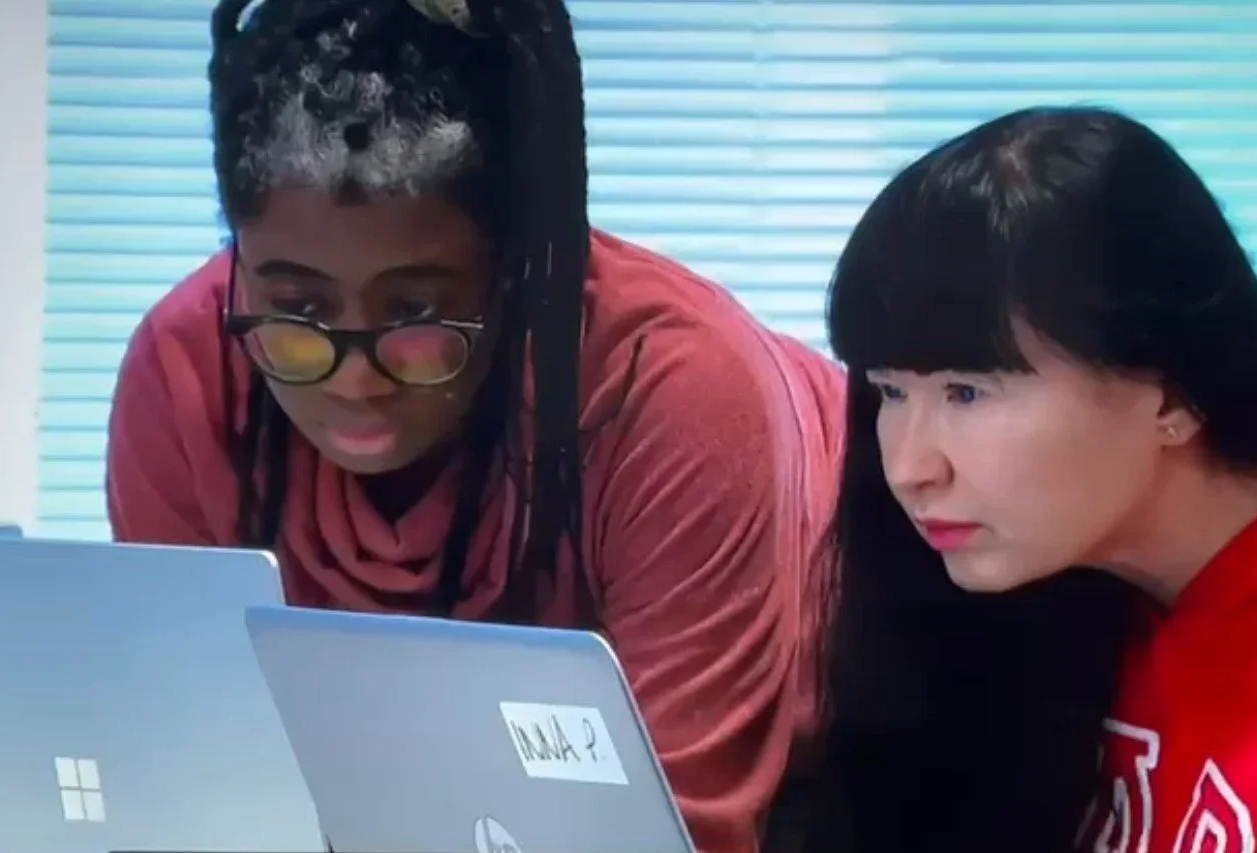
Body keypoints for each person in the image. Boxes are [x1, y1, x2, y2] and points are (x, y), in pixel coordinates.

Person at [104, 1, 847, 850]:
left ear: (513, 267)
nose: (353, 378)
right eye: (297, 308)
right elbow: (190, 775)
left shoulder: (673, 395)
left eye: (417, 309)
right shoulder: (189, 370)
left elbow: (679, 830)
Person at [802, 106, 1257, 852]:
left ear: (1172, 393)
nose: (911, 468)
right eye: (890, 391)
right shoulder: (1044, 576)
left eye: (966, 393)